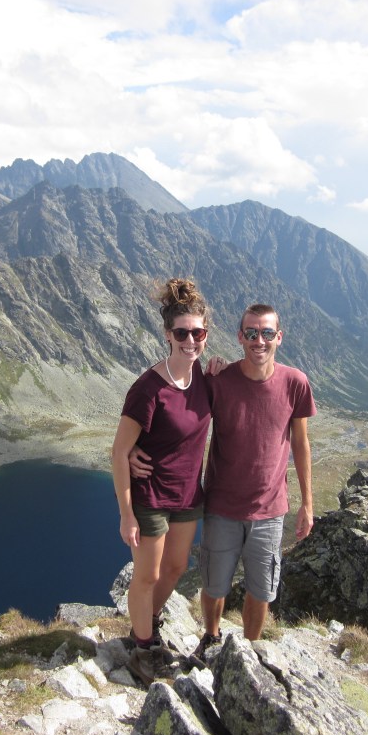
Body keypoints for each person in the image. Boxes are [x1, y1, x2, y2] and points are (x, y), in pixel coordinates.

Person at [132, 303, 315, 658]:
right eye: (250, 333)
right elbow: (177, 409)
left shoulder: (295, 383)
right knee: (215, 584)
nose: (258, 340)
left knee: (261, 591)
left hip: (270, 508)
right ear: (239, 337)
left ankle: (248, 653)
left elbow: (301, 443)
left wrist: (308, 503)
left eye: (265, 333)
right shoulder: (218, 380)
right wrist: (130, 449)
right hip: (220, 506)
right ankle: (211, 639)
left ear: (279, 337)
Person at [110, 278, 212, 686]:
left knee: (175, 567)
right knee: (148, 575)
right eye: (183, 333)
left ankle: (145, 627)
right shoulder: (148, 389)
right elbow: (120, 451)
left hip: (189, 495)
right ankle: (143, 649)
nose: (191, 340)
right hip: (151, 497)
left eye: (198, 332)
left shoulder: (204, 375)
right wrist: (126, 514)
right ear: (168, 334)